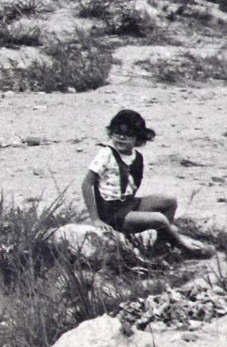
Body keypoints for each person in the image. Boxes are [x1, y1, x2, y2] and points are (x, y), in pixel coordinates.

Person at [81, 109, 213, 258]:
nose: (121, 138)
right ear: (111, 133)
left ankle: (162, 245)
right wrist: (95, 219)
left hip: (127, 204)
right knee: (158, 219)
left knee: (169, 201)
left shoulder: (137, 157)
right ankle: (182, 245)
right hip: (111, 213)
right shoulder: (107, 153)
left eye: (128, 135)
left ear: (138, 138)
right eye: (117, 133)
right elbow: (87, 184)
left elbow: (131, 186)